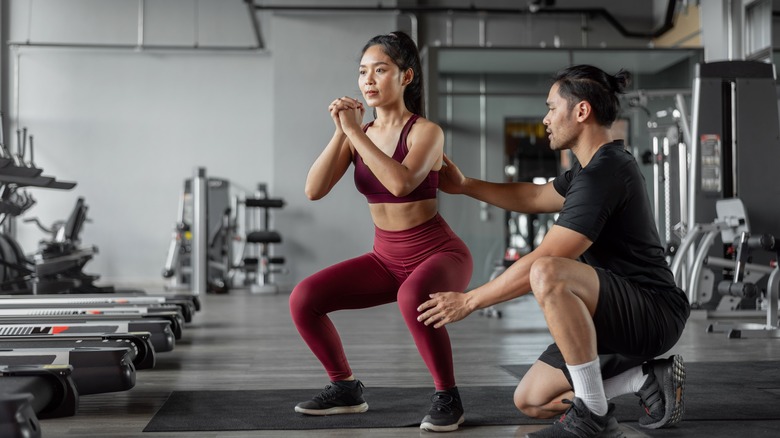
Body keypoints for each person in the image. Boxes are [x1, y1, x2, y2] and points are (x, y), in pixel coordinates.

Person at [417, 64, 691, 438]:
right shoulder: (586, 170)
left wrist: (469, 301)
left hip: (651, 312)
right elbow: (532, 195)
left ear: (581, 111)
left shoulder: (606, 173)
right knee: (531, 399)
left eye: (551, 107)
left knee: (547, 270)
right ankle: (641, 380)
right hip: (609, 313)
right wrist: (465, 185)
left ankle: (593, 416)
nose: (545, 119)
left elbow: (546, 258)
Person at [289, 30, 473, 433]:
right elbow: (313, 189)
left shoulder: (426, 132)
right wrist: (342, 130)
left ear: (406, 77)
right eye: (362, 72)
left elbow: (401, 184)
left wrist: (355, 132)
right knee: (304, 299)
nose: (368, 80)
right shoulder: (360, 135)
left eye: (380, 70)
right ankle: (345, 388)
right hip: (385, 259)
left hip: (439, 254)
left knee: (413, 296)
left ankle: (449, 397)